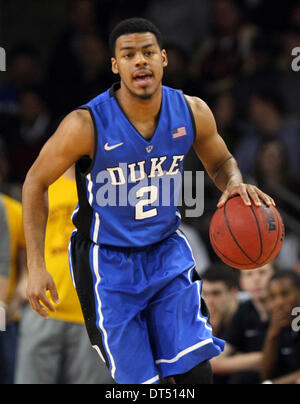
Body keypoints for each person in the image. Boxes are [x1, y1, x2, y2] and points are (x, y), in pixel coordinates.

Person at [22, 18, 275, 385]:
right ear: (115, 65)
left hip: (166, 253)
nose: (140, 61)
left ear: (164, 59)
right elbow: (34, 182)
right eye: (128, 55)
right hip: (108, 265)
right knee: (141, 385)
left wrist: (233, 183)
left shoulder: (192, 111)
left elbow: (220, 162)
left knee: (195, 373)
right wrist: (36, 265)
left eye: (148, 52)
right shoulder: (85, 125)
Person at [15, 167, 114, 384]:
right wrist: (25, 274)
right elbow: (25, 239)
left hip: (94, 312)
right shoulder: (41, 184)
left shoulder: (107, 187)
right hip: (43, 306)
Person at [211, 263, 275, 384]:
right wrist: (260, 359)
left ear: (275, 276)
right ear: (242, 282)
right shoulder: (243, 311)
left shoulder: (291, 310)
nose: (256, 279)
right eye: (249, 274)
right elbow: (215, 362)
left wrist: (241, 360)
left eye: (262, 272)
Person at [0, 192, 26, 384]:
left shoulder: (13, 209)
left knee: (10, 374)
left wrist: (12, 303)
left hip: (7, 317)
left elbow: (24, 269)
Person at [202, 264, 239, 384]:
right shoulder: (202, 322)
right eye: (205, 294)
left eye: (216, 293)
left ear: (233, 293)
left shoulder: (246, 317)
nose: (209, 301)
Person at [261, 270, 300, 384]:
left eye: (285, 294)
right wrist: (271, 335)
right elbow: (265, 374)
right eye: (272, 297)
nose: (279, 302)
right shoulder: (276, 324)